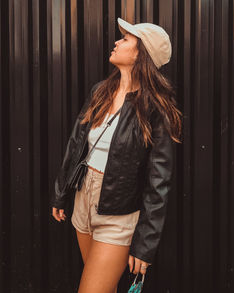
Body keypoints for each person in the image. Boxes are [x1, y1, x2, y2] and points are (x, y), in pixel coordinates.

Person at [51, 17, 182, 293]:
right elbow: (77, 144)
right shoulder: (100, 91)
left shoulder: (155, 108)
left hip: (119, 213)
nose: (116, 42)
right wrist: (62, 192)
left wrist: (145, 244)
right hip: (83, 198)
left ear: (141, 54)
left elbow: (159, 181)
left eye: (125, 40)